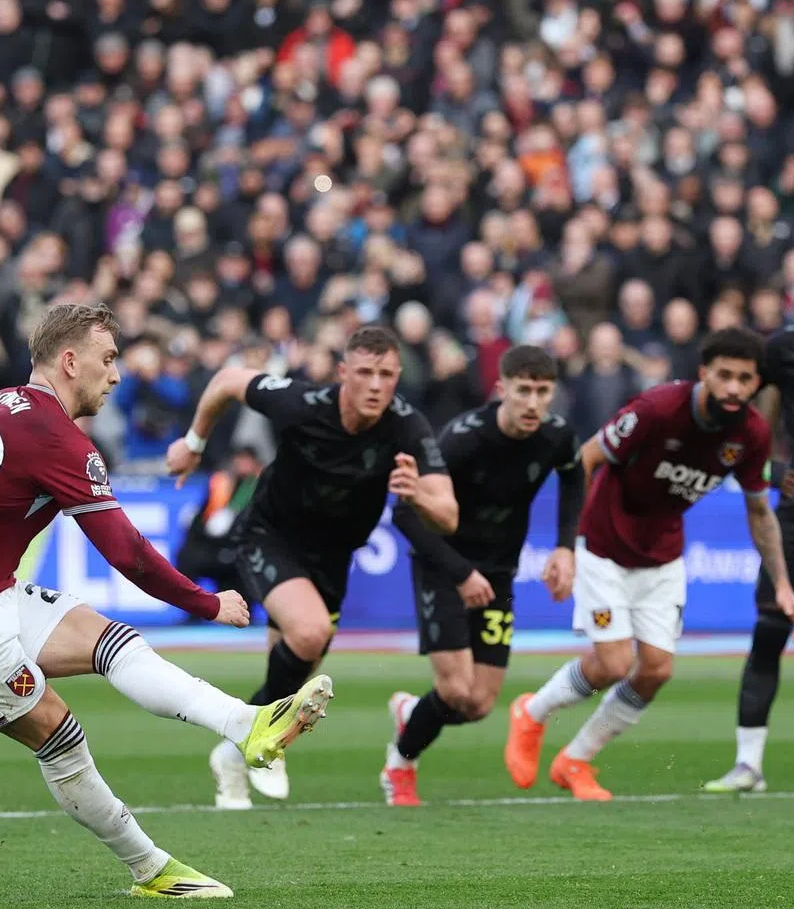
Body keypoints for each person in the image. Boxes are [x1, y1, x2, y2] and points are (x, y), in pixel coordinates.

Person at [0, 303, 333, 899]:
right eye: (108, 359)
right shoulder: (59, 438)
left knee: (110, 640)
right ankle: (152, 869)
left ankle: (247, 725)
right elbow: (128, 552)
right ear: (70, 362)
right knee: (60, 735)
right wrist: (206, 603)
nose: (115, 375)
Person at [166, 324, 457, 809]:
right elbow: (227, 381)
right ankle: (260, 735)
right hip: (270, 537)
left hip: (333, 559)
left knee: (294, 677)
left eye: (386, 374)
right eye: (364, 372)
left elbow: (447, 515)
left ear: (398, 376)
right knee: (310, 634)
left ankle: (236, 754)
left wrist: (420, 495)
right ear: (344, 373)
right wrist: (195, 444)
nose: (376, 384)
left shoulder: (408, 426)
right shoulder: (302, 403)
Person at [504, 327, 794, 801]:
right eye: (724, 376)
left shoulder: (751, 435)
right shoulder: (658, 409)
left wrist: (782, 582)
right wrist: (565, 544)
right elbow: (586, 459)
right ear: (704, 373)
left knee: (656, 669)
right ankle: (532, 713)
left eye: (745, 379)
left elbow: (760, 510)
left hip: (662, 554)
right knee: (615, 662)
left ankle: (575, 759)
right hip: (604, 545)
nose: (734, 389)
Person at [382, 345, 583, 806]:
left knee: (478, 705)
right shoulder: (462, 439)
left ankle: (412, 712)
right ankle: (400, 764)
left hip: (499, 573)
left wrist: (565, 548)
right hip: (444, 565)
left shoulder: (557, 435)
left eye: (543, 391)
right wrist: (461, 572)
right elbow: (407, 515)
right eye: (524, 390)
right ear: (502, 389)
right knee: (454, 689)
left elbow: (574, 478)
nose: (533, 402)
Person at [705, 324, 794, 793]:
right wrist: (773, 467)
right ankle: (749, 765)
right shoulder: (782, 349)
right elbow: (751, 417)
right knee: (769, 631)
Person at [174, 446, 262, 599]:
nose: (242, 463)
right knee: (187, 556)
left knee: (243, 563)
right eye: (239, 458)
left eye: (247, 460)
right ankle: (191, 608)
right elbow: (202, 516)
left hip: (241, 546)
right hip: (213, 545)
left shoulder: (260, 487)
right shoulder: (220, 483)